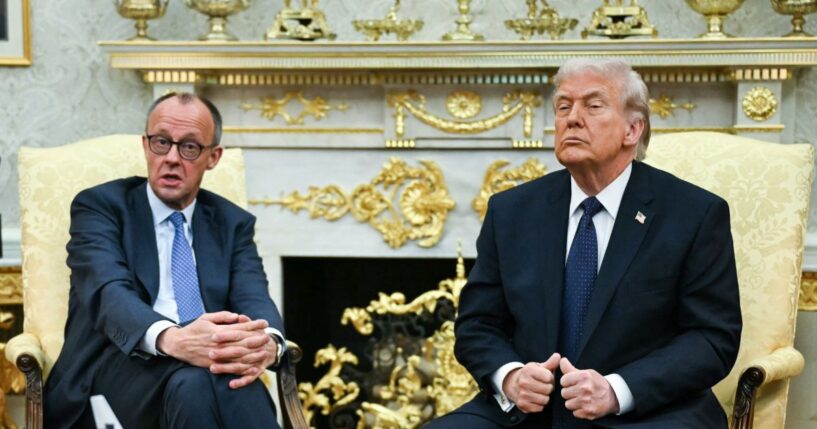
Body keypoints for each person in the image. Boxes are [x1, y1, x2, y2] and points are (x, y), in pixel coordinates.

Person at [425, 58, 742, 428]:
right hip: (529, 413)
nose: (572, 118)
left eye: (593, 105)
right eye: (563, 106)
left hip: (647, 410)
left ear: (633, 130)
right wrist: (511, 378)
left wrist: (616, 390)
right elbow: (477, 323)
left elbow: (711, 338)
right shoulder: (511, 210)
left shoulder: (693, 214)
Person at [44, 93, 286, 429]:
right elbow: (108, 292)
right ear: (145, 145)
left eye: (189, 147)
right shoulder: (99, 207)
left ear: (213, 157)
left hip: (202, 371)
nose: (172, 158)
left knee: (205, 383)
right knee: (217, 379)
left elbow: (254, 296)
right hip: (114, 367)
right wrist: (174, 340)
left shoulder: (232, 224)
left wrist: (268, 345)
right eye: (161, 142)